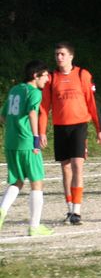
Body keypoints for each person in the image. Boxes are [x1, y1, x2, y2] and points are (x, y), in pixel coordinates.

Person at [38, 42, 101, 225]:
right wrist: (41, 132)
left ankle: (77, 210)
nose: (59, 57)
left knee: (77, 165)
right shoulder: (51, 78)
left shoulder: (83, 74)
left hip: (79, 126)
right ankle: (69, 209)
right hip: (60, 127)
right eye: (56, 54)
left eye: (62, 54)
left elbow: (92, 103)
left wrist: (100, 129)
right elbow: (44, 108)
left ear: (71, 56)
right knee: (65, 168)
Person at [1, 61, 54, 236]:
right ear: (35, 76)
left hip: (11, 142)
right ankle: (34, 226)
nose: (48, 79)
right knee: (37, 182)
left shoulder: (15, 89)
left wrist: (14, 129)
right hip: (27, 143)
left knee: (17, 181)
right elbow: (32, 113)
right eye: (45, 75)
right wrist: (35, 138)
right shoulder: (34, 92)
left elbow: (3, 115)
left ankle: (1, 211)